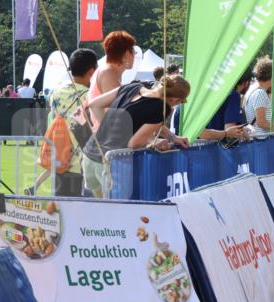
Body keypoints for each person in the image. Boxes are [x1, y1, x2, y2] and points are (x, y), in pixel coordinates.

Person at [82, 75, 191, 197]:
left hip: (90, 156)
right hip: (113, 164)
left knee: (97, 210)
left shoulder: (133, 86)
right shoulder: (161, 108)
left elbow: (94, 104)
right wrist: (154, 143)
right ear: (175, 99)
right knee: (118, 212)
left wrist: (109, 128)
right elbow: (134, 143)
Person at [33, 49, 98, 197]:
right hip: (83, 164)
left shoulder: (55, 92)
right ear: (91, 71)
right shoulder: (90, 97)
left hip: (60, 160)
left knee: (62, 214)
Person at [87, 31, 137, 130]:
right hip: (107, 140)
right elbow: (122, 109)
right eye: (133, 52)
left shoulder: (107, 71)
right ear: (127, 54)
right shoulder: (109, 73)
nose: (134, 55)